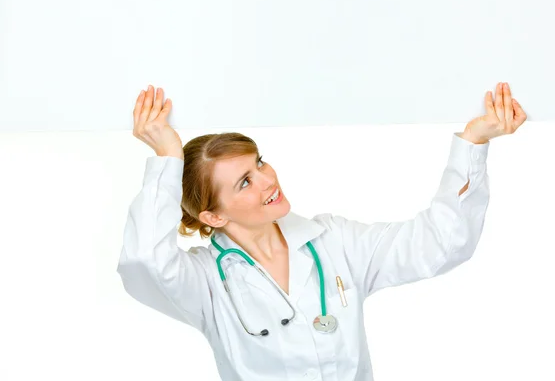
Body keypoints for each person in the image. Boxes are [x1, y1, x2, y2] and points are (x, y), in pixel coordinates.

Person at [117, 83, 526, 381]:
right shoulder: (206, 282)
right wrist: (167, 157)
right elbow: (144, 262)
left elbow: (440, 244)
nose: (266, 180)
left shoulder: (333, 241)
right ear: (213, 217)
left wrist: (473, 142)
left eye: (259, 162)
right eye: (244, 182)